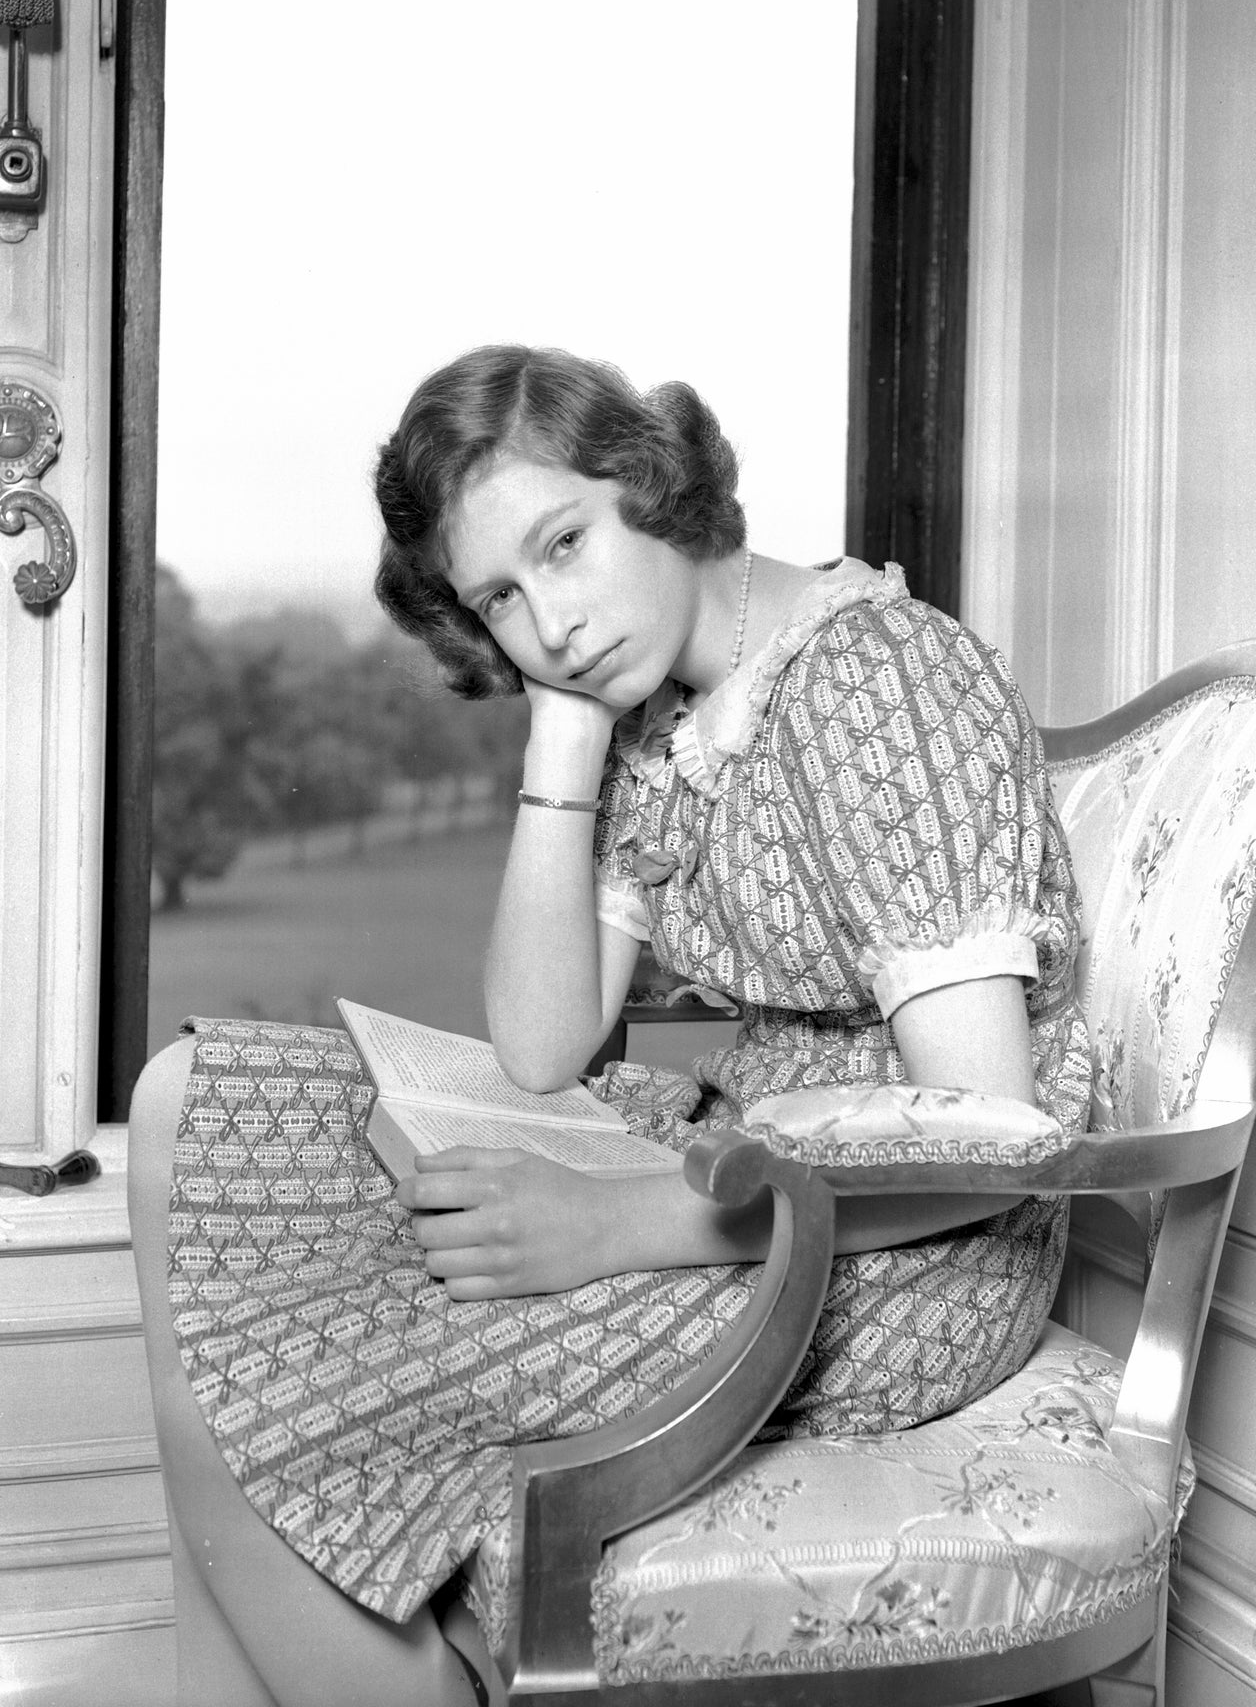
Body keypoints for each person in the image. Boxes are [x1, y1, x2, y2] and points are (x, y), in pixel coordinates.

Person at [129, 344, 1092, 1707]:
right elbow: (541, 1045)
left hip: (907, 1253)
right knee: (186, 1103)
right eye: (502, 599)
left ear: (652, 484)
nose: (553, 625)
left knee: (304, 1374)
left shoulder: (878, 680)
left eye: (566, 544)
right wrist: (562, 746)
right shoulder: (661, 722)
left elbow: (982, 1141)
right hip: (743, 1173)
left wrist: (623, 1219)